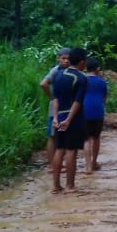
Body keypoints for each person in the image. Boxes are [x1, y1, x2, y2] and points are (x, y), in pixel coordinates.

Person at [51, 47, 88, 193]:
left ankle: (55, 185)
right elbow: (77, 102)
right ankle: (69, 185)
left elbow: (55, 98)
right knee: (71, 150)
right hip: (73, 118)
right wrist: (69, 119)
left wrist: (55, 118)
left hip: (59, 116)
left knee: (59, 149)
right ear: (81, 62)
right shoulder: (81, 78)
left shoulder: (59, 75)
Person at [40, 47, 71, 168]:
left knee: (62, 135)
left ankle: (58, 163)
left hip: (67, 107)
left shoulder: (70, 71)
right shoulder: (56, 71)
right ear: (58, 58)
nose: (66, 61)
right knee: (53, 135)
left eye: (68, 59)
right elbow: (43, 84)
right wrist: (52, 97)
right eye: (63, 58)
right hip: (56, 108)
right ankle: (53, 164)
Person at [82, 56, 108, 174]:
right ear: (97, 69)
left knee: (86, 139)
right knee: (96, 137)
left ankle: (88, 166)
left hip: (84, 111)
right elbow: (104, 98)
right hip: (98, 112)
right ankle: (94, 162)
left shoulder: (82, 80)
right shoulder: (102, 82)